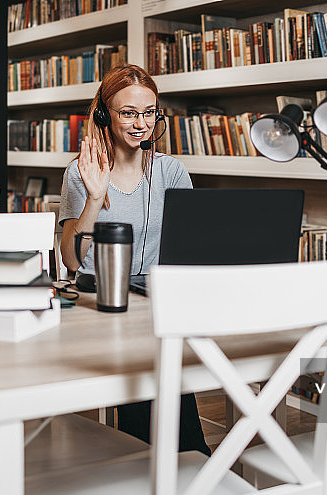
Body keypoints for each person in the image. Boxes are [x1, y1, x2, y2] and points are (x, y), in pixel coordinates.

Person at [59, 64, 210, 455]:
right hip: (99, 304)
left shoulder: (172, 171)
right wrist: (95, 197)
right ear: (105, 115)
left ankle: (162, 460)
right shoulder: (82, 172)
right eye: (128, 112)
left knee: (164, 352)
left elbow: (191, 249)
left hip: (155, 302)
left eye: (149, 112)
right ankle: (181, 459)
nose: (141, 123)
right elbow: (73, 262)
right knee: (155, 361)